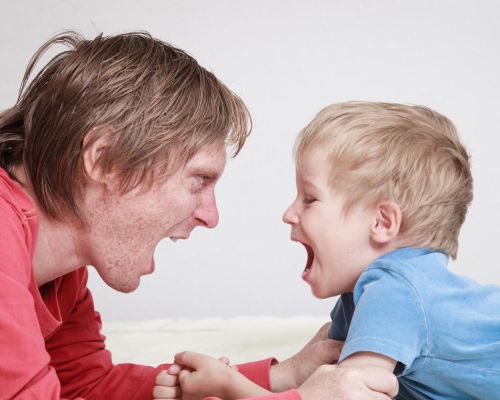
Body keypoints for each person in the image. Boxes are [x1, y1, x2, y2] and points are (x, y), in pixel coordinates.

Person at [0, 31, 398, 400]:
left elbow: (88, 388)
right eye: (199, 180)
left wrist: (284, 377)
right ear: (104, 160)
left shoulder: (62, 275)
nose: (211, 216)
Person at [156, 101, 500, 400]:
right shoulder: (361, 293)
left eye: (309, 198)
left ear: (382, 222)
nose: (289, 213)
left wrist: (230, 386)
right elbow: (317, 388)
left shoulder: (395, 292)